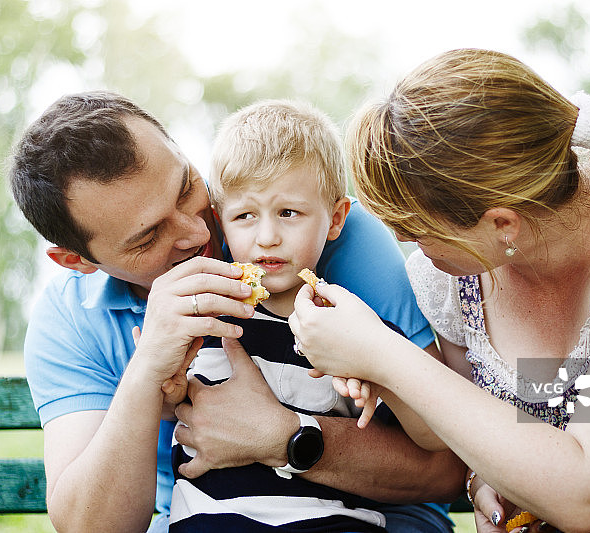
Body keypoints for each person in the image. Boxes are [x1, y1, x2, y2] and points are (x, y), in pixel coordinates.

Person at [289, 48, 590, 533]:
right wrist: (484, 483)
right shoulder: (453, 274)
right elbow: (462, 429)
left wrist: (382, 354)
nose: (403, 243)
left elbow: (589, 493)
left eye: (416, 228)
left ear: (502, 223)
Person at [8, 91, 465, 533]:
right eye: (147, 238)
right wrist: (147, 369)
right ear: (78, 261)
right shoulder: (68, 316)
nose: (195, 232)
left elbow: (446, 465)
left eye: (187, 187)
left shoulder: (318, 234)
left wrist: (286, 437)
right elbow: (92, 527)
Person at [169, 98, 423, 531]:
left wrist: (377, 374)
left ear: (336, 218)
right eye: (245, 215)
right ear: (220, 223)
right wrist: (163, 384)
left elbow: (427, 438)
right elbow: (168, 406)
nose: (267, 237)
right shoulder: (202, 316)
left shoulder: (352, 324)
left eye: (289, 213)